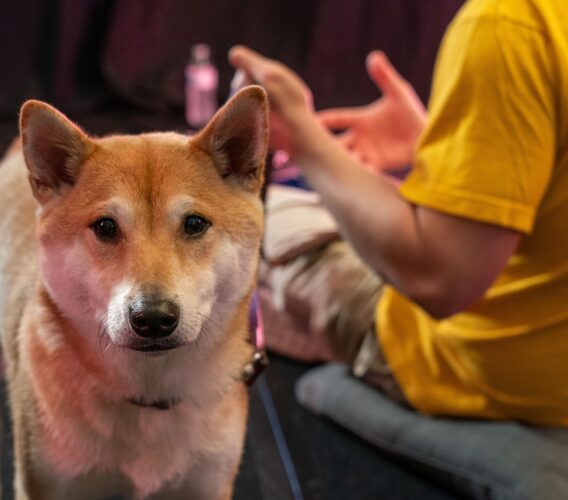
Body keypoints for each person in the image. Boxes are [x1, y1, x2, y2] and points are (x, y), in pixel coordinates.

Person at [229, 0, 568, 426]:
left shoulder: (515, 22)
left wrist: (303, 137)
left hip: (492, 373)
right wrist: (446, 148)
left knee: (271, 224)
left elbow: (440, 278)